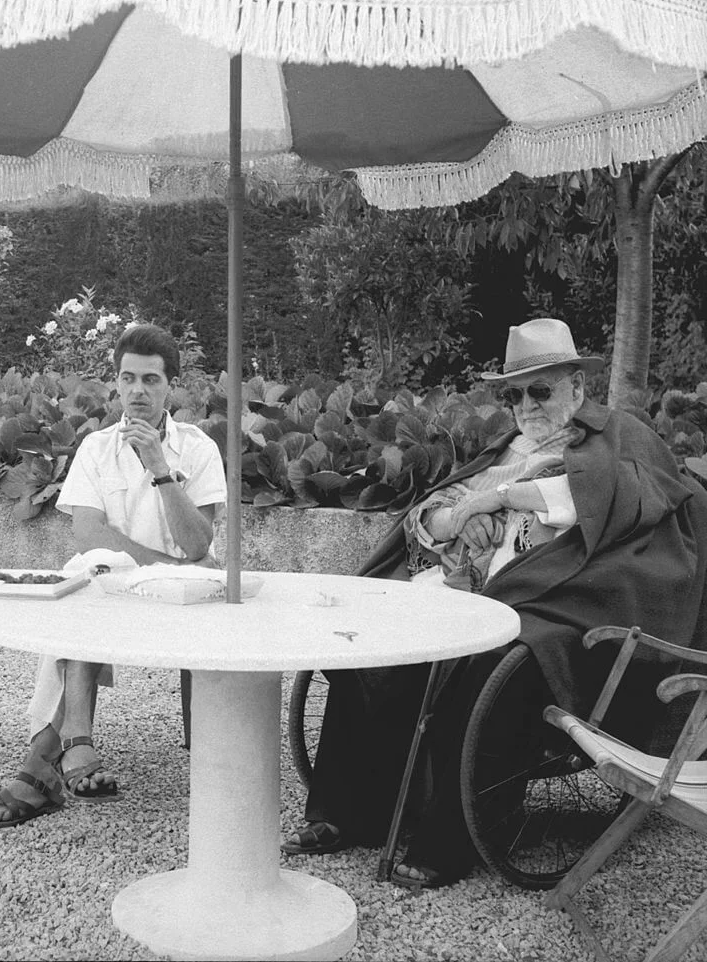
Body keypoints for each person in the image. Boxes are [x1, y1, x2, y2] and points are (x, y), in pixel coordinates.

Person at [282, 318, 707, 888]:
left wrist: (500, 499)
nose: (526, 404)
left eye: (541, 389)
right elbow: (425, 518)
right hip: (469, 587)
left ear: (577, 389)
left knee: (487, 663)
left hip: (564, 601)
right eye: (514, 393)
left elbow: (608, 500)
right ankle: (349, 812)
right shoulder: (503, 447)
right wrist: (461, 518)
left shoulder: (619, 434)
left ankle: (449, 842)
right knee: (375, 648)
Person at [0, 323, 226, 827]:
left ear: (171, 385)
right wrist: (163, 566)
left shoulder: (196, 449)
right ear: (116, 381)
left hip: (184, 600)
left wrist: (158, 465)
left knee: (91, 579)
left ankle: (50, 760)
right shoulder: (95, 448)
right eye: (128, 378)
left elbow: (199, 544)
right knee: (88, 574)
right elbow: (89, 534)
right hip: (115, 588)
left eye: (151, 380)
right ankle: (69, 743)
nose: (137, 392)